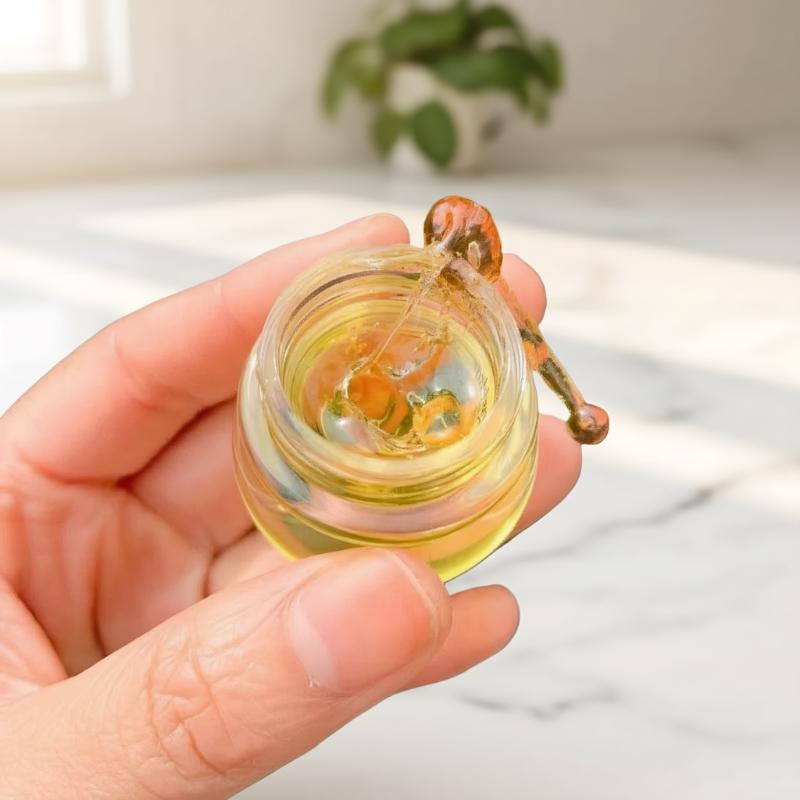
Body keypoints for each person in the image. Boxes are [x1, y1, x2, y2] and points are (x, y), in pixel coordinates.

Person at [0, 214, 581, 798]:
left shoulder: (473, 331)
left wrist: (572, 403)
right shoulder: (345, 369)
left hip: (459, 466)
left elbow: (531, 350)